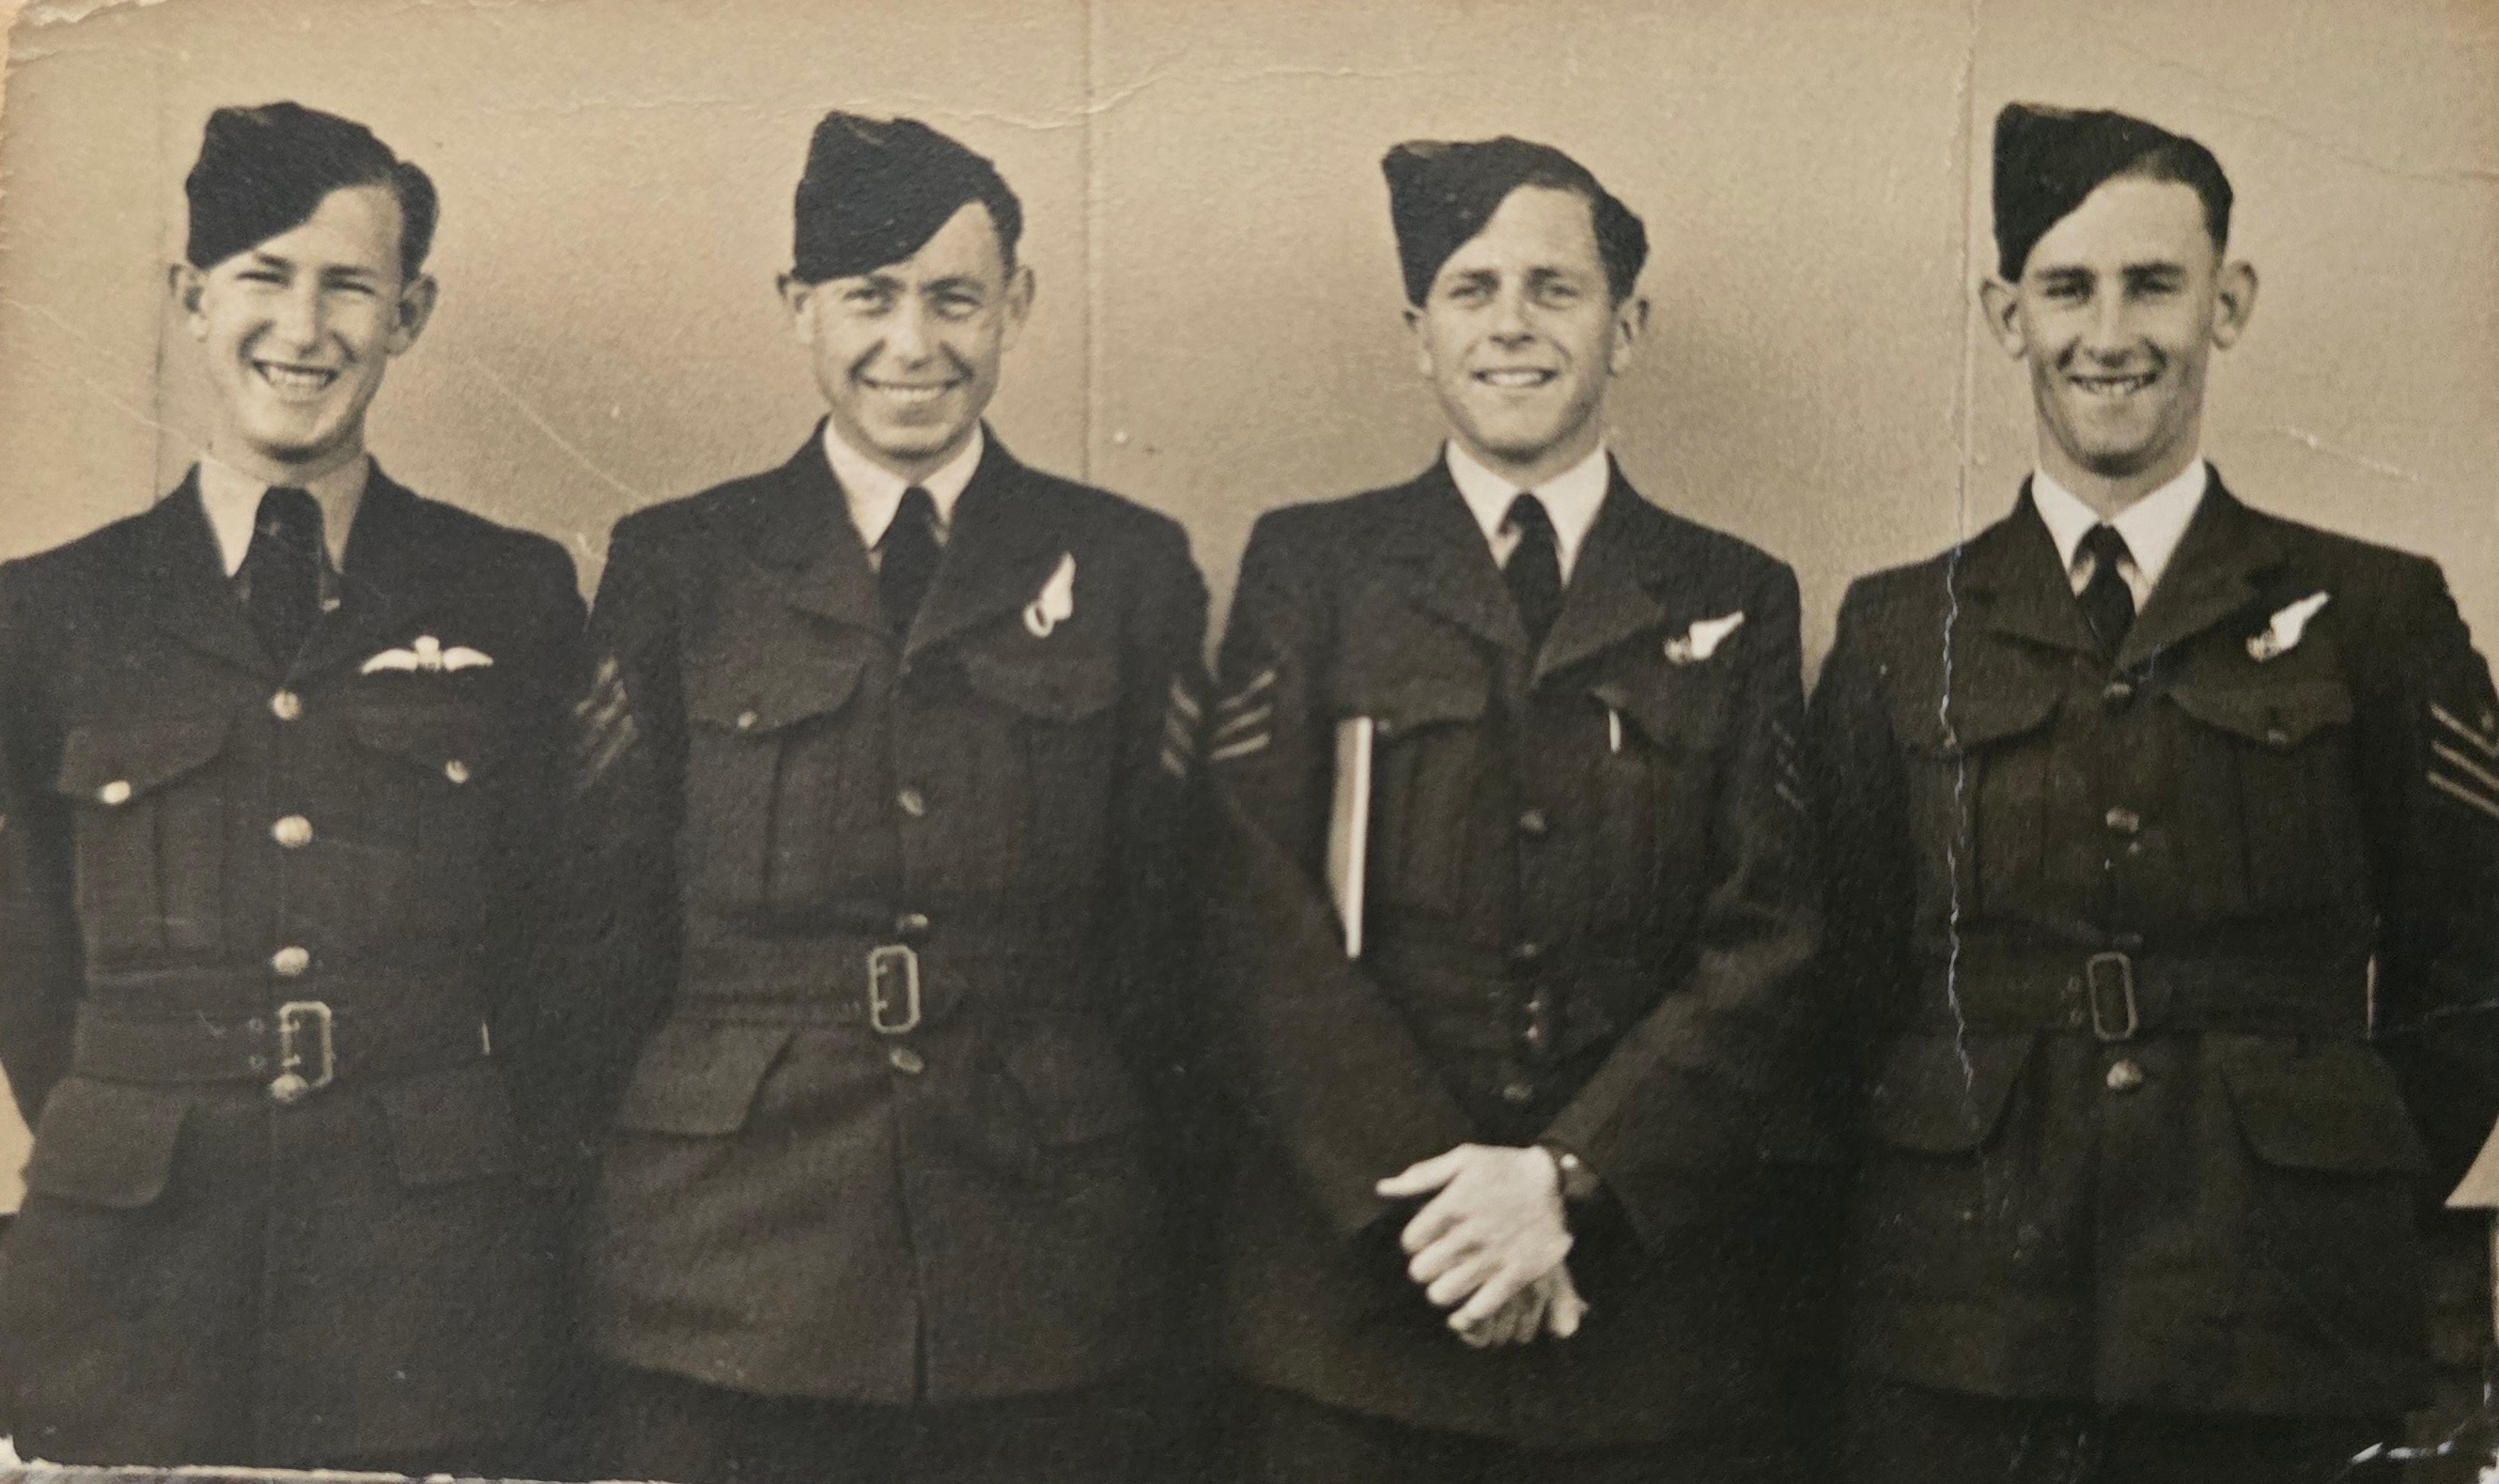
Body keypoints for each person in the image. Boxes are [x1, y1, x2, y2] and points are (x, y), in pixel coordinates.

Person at [1808, 102, 2499, 1483]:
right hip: (1967, 1320)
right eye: (2067, 287)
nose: (2109, 334)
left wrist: (2327, 1177)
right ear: (2007, 315)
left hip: (2274, 1325)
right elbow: (1840, 986)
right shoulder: (1898, 629)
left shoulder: (2376, 612)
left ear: (2225, 304)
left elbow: (2475, 968)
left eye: (2153, 285)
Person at [559, 110, 1209, 1484]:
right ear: (798, 304)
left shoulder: (1128, 566)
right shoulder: (681, 563)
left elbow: (1165, 931)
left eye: (954, 299)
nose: (913, 345)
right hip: (729, 1263)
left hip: (1036, 1250)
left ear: (1017, 303)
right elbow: (599, 928)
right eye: (869, 297)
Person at [1200, 135, 1830, 1484]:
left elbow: (1769, 935)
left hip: (1632, 1330)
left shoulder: (1735, 593)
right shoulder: (1312, 567)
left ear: (1626, 328)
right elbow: (1251, 912)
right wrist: (1452, 1209)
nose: (1511, 324)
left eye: (1556, 288)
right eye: (1471, 289)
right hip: (1356, 1320)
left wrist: (1562, 1178)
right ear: (1418, 334)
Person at [0, 101, 582, 1473]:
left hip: (423, 1263)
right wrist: (135, 1125)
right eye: (263, 275)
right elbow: (24, 954)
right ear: (191, 296)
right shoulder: (46, 613)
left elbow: (561, 944)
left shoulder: (509, 589)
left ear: (410, 314)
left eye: (350, 286)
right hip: (129, 1273)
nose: (303, 328)